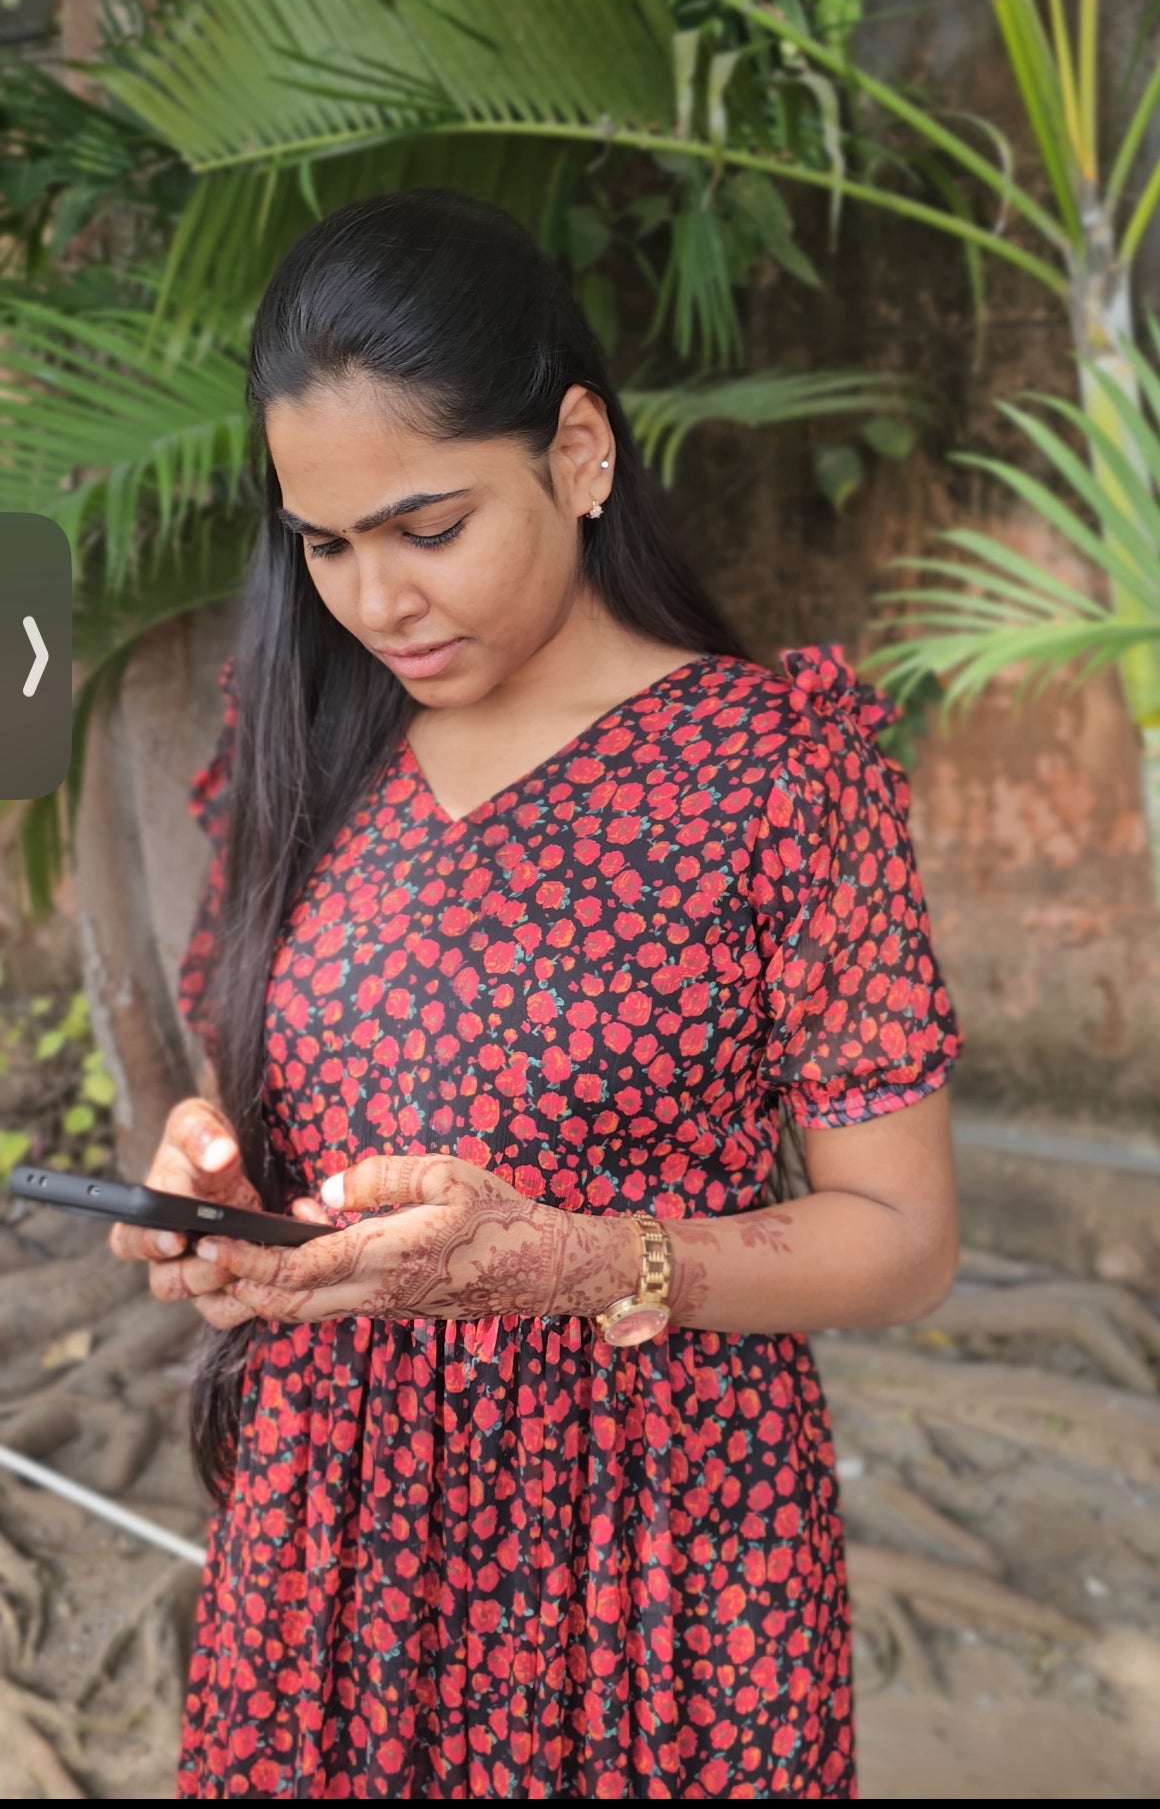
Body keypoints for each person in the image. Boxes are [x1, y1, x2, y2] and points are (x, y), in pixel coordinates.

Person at [110, 188, 961, 1800]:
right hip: (334, 1534)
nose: (378, 601)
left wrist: (572, 1259)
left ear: (578, 452)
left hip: (657, 1547)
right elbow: (300, 1129)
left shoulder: (773, 766)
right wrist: (214, 1198)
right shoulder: (308, 736)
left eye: (429, 527)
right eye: (329, 544)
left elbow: (905, 1238)